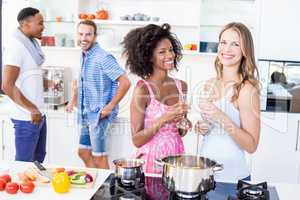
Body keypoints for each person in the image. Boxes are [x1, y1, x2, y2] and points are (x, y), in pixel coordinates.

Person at [194, 22, 261, 182]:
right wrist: (202, 127)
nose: (227, 49)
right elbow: (212, 129)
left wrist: (222, 117)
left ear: (245, 51)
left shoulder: (246, 90)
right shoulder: (210, 84)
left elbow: (251, 146)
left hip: (231, 179)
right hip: (204, 175)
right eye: (223, 42)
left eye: (235, 44)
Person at [122, 23, 191, 174]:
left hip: (176, 158)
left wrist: (184, 123)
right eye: (162, 52)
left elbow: (180, 132)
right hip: (150, 162)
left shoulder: (181, 86)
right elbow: (137, 140)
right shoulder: (143, 89)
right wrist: (164, 119)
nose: (170, 55)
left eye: (171, 50)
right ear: (149, 57)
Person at [66, 20, 131, 169]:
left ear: (95, 37)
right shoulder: (84, 55)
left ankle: (104, 188)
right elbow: (81, 82)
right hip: (87, 114)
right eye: (81, 34)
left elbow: (125, 82)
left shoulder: (103, 57)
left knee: (99, 157)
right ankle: (97, 182)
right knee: (83, 152)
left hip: (99, 115)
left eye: (88, 34)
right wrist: (73, 101)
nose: (84, 38)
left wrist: (110, 106)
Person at [2, 7, 47, 162]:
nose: (43, 27)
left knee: (38, 161)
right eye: (40, 23)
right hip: (26, 117)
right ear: (26, 24)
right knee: (24, 165)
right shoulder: (16, 46)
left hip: (38, 115)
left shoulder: (31, 43)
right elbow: (7, 85)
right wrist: (32, 109)